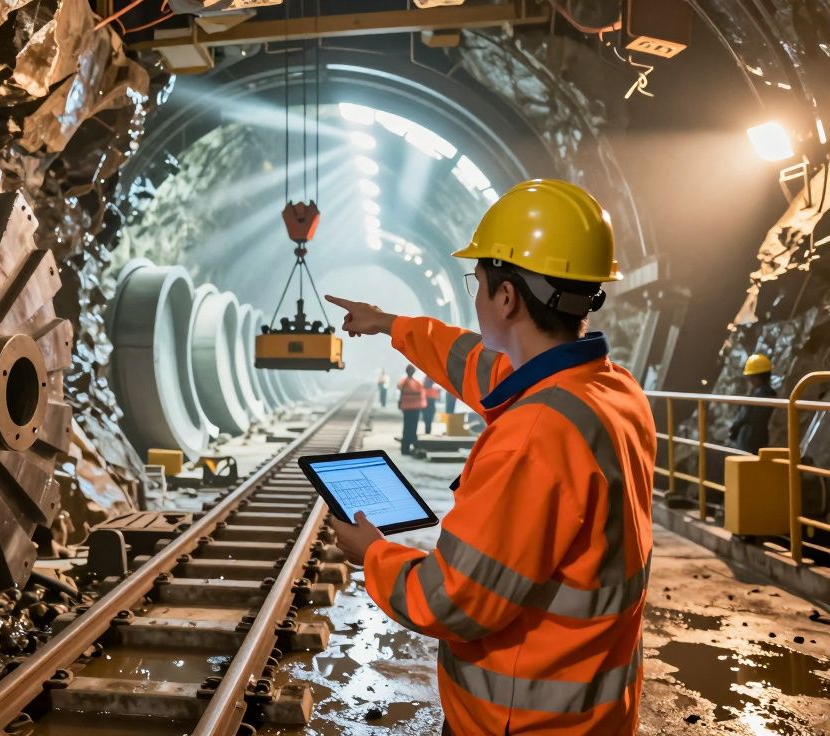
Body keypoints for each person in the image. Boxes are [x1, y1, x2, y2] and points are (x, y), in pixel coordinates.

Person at [324, 179, 655, 735]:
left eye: (476, 282)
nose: (475, 296)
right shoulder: (610, 390)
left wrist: (373, 553)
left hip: (523, 720)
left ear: (506, 298)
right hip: (597, 711)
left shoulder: (534, 435)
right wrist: (391, 325)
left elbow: (452, 601)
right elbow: (476, 364)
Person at [728, 353, 777, 454]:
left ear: (755, 378)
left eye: (749, 378)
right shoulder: (772, 395)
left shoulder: (755, 398)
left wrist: (732, 431)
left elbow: (742, 418)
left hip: (748, 444)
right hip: (762, 444)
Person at [397, 365, 426, 455]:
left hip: (407, 408)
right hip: (415, 408)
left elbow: (401, 391)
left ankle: (405, 449)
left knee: (407, 428)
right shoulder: (417, 383)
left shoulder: (403, 382)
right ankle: (409, 448)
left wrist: (400, 403)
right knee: (413, 428)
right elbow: (422, 395)